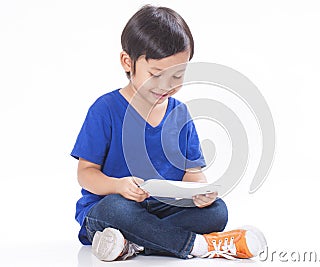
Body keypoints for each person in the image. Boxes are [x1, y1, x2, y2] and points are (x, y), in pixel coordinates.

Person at [71, 4, 266, 261]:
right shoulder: (105, 109)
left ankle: (134, 244)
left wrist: (200, 191)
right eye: (155, 75)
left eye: (177, 75)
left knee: (217, 212)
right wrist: (118, 185)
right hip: (113, 208)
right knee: (116, 210)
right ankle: (200, 246)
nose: (166, 86)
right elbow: (86, 174)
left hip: (163, 209)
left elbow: (192, 173)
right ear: (127, 62)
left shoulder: (180, 114)